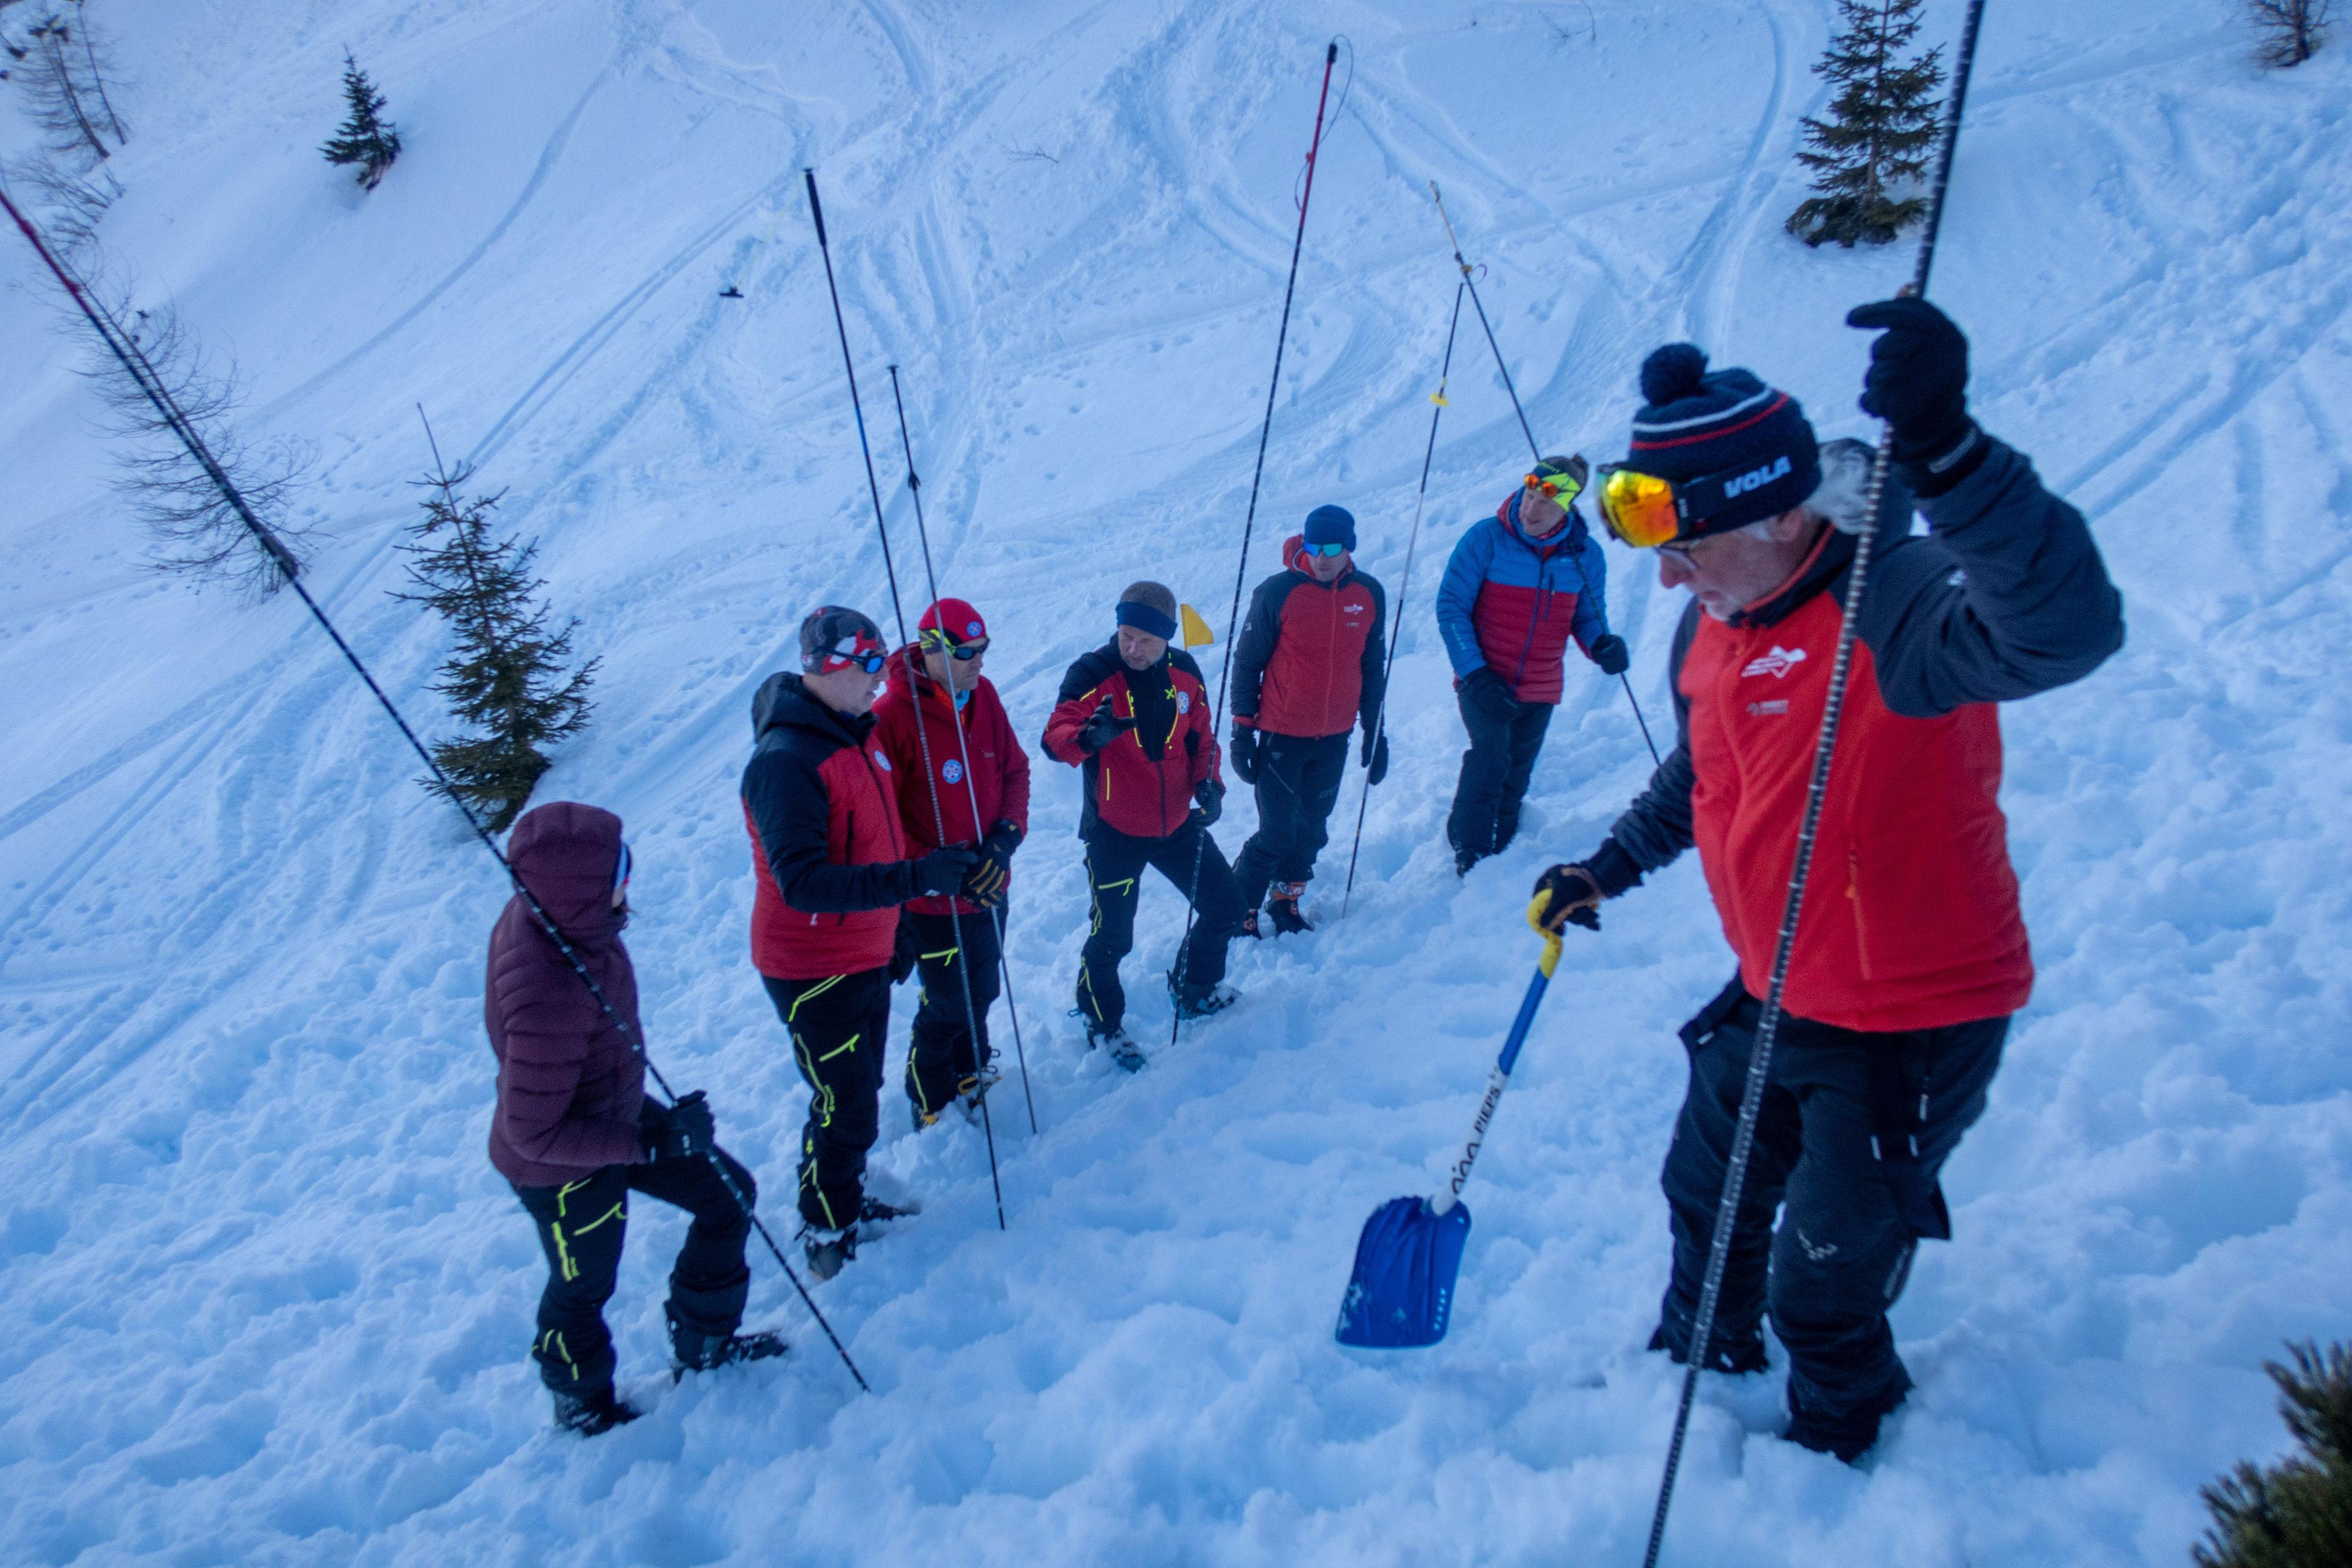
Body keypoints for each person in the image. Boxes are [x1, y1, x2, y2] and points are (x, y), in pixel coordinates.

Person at [1529, 300, 2124, 1461]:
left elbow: (2066, 631)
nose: (1668, 584)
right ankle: (1701, 1377)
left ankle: (1838, 1456)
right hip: (1780, 987)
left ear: (1777, 509)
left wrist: (1951, 450)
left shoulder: (1892, 603)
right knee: (1706, 1194)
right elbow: (1704, 768)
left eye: (1685, 548)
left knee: (1827, 1279)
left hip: (1912, 1015)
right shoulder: (1718, 615)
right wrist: (1609, 865)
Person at [486, 801, 781, 1436]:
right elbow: (533, 1131)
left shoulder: (569, 922)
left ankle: (705, 1342)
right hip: (558, 1165)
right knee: (584, 1285)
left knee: (729, 1195)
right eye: (619, 871)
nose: (629, 881)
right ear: (580, 891)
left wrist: (650, 1131)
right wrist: (649, 1144)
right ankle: (580, 1398)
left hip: (609, 1110)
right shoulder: (549, 989)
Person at [742, 606, 976, 1279]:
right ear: (828, 665)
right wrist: (916, 881)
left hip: (865, 951)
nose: (882, 680)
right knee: (843, 1103)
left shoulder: (855, 732)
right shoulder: (785, 762)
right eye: (870, 665)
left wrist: (899, 923)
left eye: (883, 662)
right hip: (812, 966)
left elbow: (878, 835)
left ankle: (842, 1191)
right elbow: (805, 884)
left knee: (859, 1091)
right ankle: (825, 1223)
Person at [1041, 581, 1245, 1069]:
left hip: (1177, 824)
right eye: (1125, 635)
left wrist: (1210, 785)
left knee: (1228, 908)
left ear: (1167, 639)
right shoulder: (1093, 673)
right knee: (1113, 937)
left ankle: (1193, 987)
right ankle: (1101, 1021)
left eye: (1145, 641)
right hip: (1114, 831)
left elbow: (1202, 740)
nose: (1132, 648)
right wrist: (1090, 736)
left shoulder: (1186, 674)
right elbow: (1055, 738)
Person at [872, 597, 1031, 1130]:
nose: (979, 662)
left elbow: (1015, 771)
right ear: (931, 649)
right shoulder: (892, 716)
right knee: (946, 1002)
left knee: (983, 985)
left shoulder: (982, 694)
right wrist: (933, 867)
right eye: (967, 652)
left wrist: (1005, 841)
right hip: (934, 898)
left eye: (984, 650)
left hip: (989, 882)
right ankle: (928, 1092)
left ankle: (971, 1069)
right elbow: (883, 820)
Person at [1435, 453, 1630, 874]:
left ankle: (1502, 850)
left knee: (1517, 772)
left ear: (1567, 507)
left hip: (1541, 683)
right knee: (1491, 757)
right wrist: (1475, 673)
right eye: (1528, 495)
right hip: (1484, 676)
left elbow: (1588, 616)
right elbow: (1451, 607)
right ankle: (1468, 851)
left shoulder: (1584, 556)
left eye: (1545, 501)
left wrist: (1603, 646)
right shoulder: (1486, 539)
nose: (1531, 509)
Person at [1229, 504, 1389, 936]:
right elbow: (1246, 664)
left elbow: (1373, 668)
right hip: (1282, 734)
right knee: (1276, 833)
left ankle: (1285, 899)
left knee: (1312, 831)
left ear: (1348, 547)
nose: (1321, 556)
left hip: (1335, 736)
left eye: (1332, 547)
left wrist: (1376, 733)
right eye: (1313, 545)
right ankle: (1238, 906)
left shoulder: (1369, 594)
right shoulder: (1278, 593)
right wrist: (1242, 734)